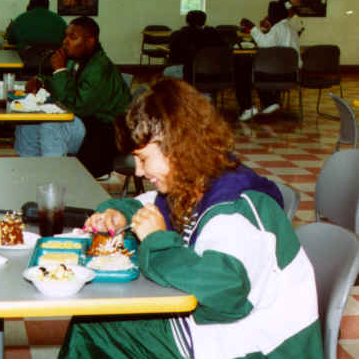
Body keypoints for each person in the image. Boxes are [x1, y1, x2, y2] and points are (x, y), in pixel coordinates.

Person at [59, 77, 322, 359]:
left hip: (258, 344)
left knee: (94, 328)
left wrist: (158, 241)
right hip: (222, 329)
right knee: (94, 323)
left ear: (177, 147)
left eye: (143, 158)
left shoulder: (234, 208)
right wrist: (119, 215)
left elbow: (226, 296)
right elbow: (147, 205)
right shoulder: (194, 182)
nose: (137, 171)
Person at [14, 16, 130, 176]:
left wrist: (60, 71)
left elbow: (78, 106)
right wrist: (41, 81)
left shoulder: (100, 68)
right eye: (66, 36)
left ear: (90, 42)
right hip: (86, 123)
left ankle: (53, 180)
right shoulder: (78, 60)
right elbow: (66, 88)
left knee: (52, 125)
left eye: (72, 37)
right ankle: (28, 172)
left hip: (106, 133)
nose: (65, 42)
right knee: (29, 121)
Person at [237, 1, 301, 121]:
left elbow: (264, 44)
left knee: (244, 70)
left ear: (272, 15)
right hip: (293, 74)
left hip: (278, 75)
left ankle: (247, 108)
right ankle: (270, 102)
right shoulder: (291, 28)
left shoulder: (278, 28)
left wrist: (252, 28)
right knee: (258, 69)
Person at [164, 10, 226, 83]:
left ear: (187, 21)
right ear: (204, 21)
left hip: (191, 74)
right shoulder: (215, 34)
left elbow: (174, 56)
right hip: (217, 73)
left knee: (167, 71)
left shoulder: (179, 34)